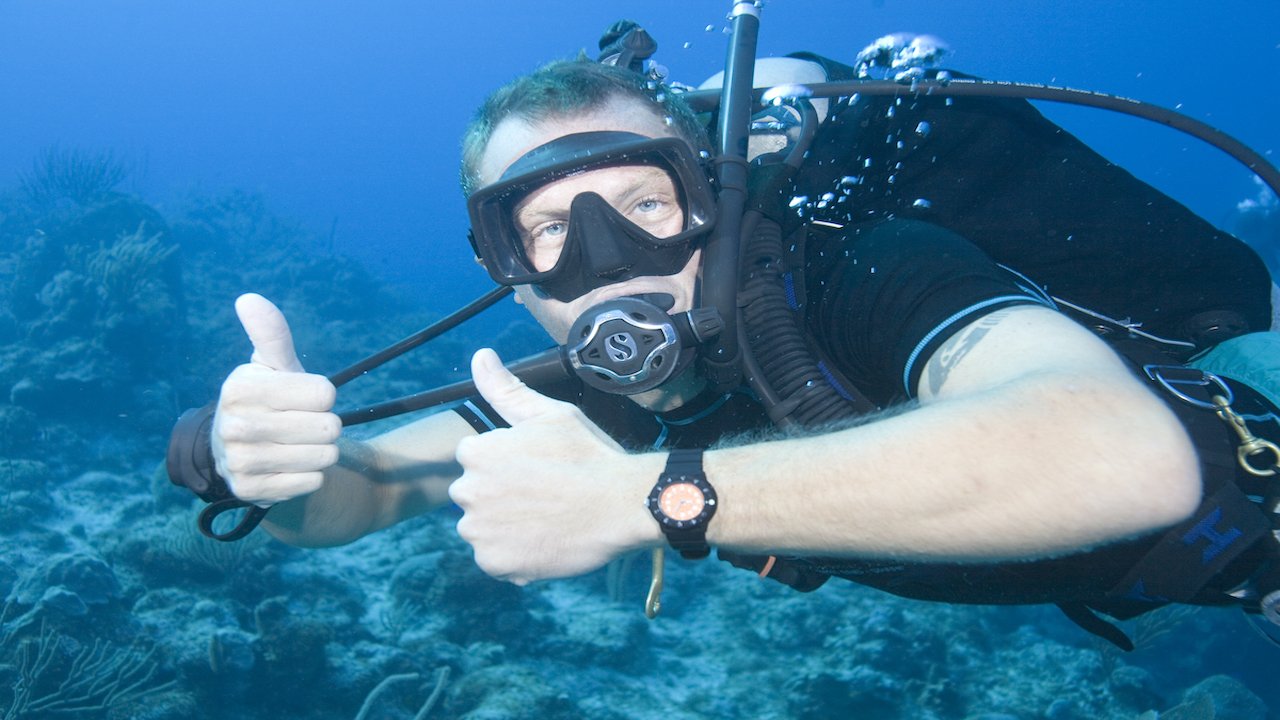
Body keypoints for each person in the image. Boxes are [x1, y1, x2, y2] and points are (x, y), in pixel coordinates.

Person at [179, 49, 1280, 642]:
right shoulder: (572, 408)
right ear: (501, 273)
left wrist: (647, 499)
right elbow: (361, 493)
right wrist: (278, 468)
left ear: (713, 200)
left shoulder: (867, 270)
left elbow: (1116, 460)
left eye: (640, 203)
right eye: (548, 229)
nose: (605, 261)